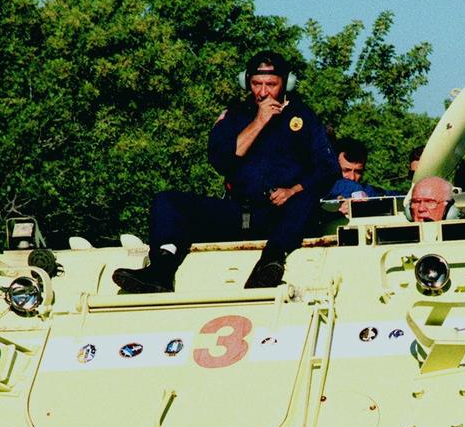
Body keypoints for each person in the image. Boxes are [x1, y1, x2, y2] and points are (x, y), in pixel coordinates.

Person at [113, 51, 339, 293]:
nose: (263, 92)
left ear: (286, 83)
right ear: (246, 81)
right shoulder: (235, 115)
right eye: (256, 84)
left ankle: (270, 263)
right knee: (167, 201)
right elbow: (221, 159)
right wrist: (259, 121)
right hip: (237, 211)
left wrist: (292, 190)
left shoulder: (303, 117)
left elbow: (328, 168)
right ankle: (161, 270)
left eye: (271, 85)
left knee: (305, 198)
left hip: (280, 213)